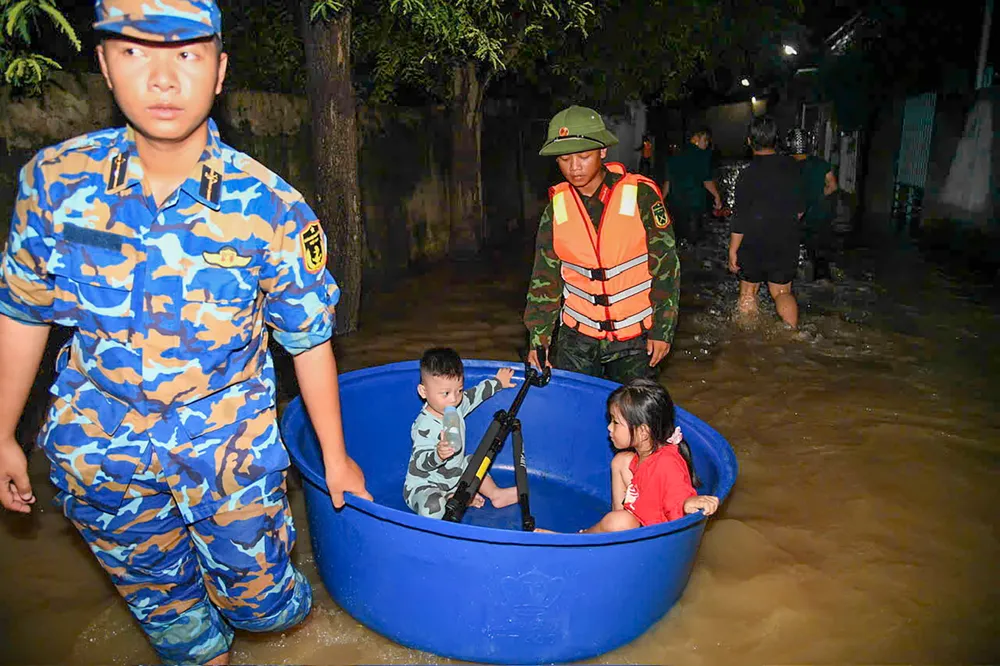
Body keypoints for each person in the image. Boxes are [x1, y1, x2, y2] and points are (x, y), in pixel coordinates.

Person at [0, 2, 370, 664]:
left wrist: (335, 457)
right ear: (104, 65)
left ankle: (270, 605)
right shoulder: (55, 185)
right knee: (178, 628)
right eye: (135, 52)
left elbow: (309, 338)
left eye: (187, 55)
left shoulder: (269, 207)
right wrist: (2, 432)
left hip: (227, 450)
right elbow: (23, 310)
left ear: (220, 71)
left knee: (265, 608)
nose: (163, 79)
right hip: (103, 452)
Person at [524, 105, 680, 384]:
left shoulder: (641, 196)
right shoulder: (556, 208)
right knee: (573, 406)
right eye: (564, 159)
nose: (574, 167)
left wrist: (663, 330)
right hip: (577, 340)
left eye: (584, 156)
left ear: (603, 151)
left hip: (635, 339)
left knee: (637, 408)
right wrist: (539, 339)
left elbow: (666, 267)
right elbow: (544, 278)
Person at [539, 379, 719, 534]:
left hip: (651, 537)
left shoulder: (667, 463)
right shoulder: (648, 453)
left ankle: (583, 539)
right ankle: (615, 529)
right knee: (621, 461)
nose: (609, 427)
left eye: (615, 422)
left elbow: (678, 495)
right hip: (640, 515)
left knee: (620, 521)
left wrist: (687, 504)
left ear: (642, 432)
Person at [404, 348, 519, 518]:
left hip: (455, 478)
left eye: (458, 390)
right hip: (425, 485)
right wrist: (437, 455)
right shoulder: (423, 425)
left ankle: (495, 494)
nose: (454, 399)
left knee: (475, 461)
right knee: (433, 506)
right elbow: (419, 464)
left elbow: (474, 395)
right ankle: (452, 500)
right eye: (446, 393)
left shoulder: (455, 407)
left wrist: (498, 382)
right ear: (423, 392)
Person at [728, 116, 806, 328]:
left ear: (749, 141)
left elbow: (740, 217)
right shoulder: (793, 168)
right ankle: (792, 334)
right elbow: (800, 210)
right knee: (782, 291)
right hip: (785, 239)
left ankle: (748, 340)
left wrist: (733, 250)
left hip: (754, 240)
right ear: (776, 139)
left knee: (748, 291)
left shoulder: (746, 175)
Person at [786, 128, 838, 280]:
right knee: (820, 259)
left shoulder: (785, 166)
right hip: (820, 217)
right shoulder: (821, 164)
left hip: (796, 219)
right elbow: (833, 186)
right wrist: (817, 196)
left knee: (792, 262)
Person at [661, 127, 723, 246]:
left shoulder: (675, 155)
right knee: (694, 239)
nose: (707, 143)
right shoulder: (702, 155)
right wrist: (717, 196)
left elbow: (668, 181)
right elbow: (706, 180)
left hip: (676, 203)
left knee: (679, 236)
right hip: (694, 203)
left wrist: (661, 200)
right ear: (695, 139)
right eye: (705, 140)